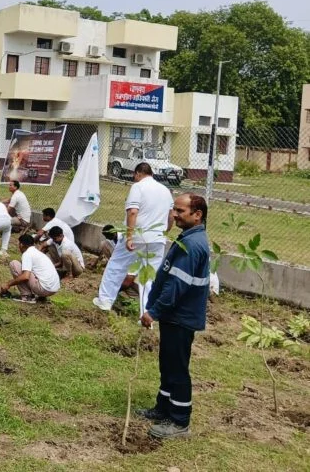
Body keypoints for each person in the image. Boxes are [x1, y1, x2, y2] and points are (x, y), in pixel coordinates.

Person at [138, 194, 210, 440]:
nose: (174, 214)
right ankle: (164, 408)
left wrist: (154, 311)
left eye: (180, 211)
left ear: (197, 214)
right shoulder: (188, 238)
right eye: (174, 210)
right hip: (174, 316)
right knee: (167, 364)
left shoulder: (193, 245)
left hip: (181, 317)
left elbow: (177, 286)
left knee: (177, 368)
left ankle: (179, 422)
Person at [93, 162, 173, 315]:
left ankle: (104, 301)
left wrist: (129, 237)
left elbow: (132, 213)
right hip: (157, 239)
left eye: (134, 176)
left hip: (137, 237)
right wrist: (164, 233)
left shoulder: (138, 187)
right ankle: (146, 315)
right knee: (148, 277)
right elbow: (171, 217)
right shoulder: (165, 190)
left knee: (116, 266)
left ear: (137, 174)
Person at [0, 234, 61, 303]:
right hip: (53, 289)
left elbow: (25, 276)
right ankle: (41, 297)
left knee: (14, 264)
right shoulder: (38, 253)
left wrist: (8, 284)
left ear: (21, 244)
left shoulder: (27, 253)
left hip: (44, 289)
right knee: (31, 270)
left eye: (19, 244)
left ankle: (27, 296)